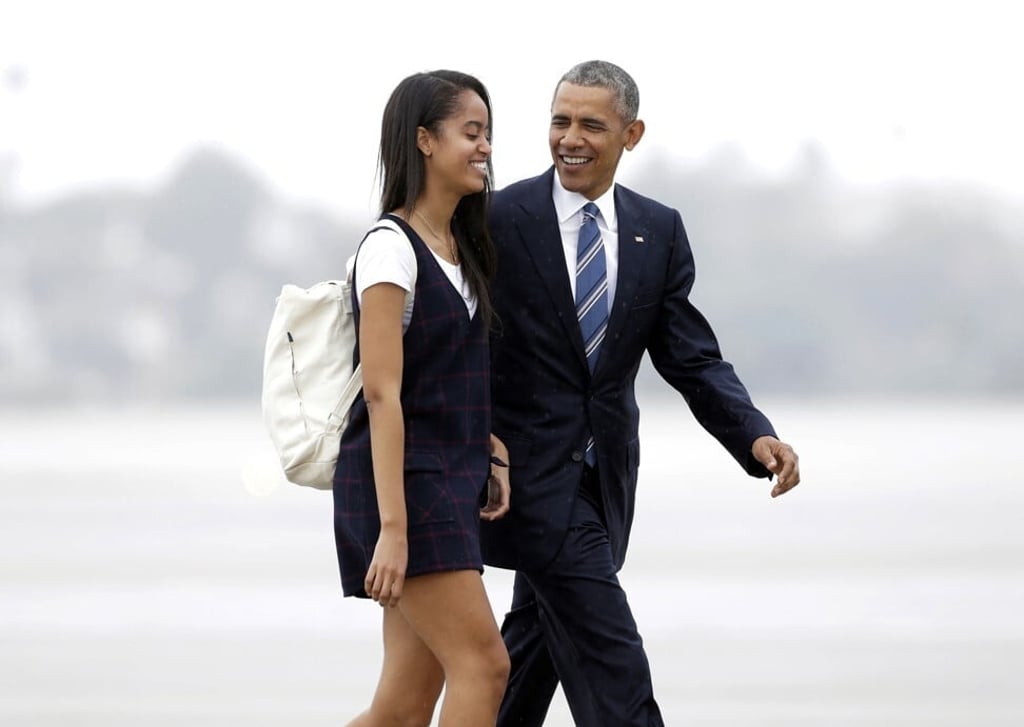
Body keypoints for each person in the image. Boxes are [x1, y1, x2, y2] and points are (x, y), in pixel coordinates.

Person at [479, 60, 802, 726]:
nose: (570, 137)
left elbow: (691, 355)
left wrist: (753, 433)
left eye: (591, 124)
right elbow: (462, 345)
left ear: (631, 133)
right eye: (559, 120)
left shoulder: (658, 230)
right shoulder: (498, 218)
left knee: (523, 666)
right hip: (529, 485)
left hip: (604, 485)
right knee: (614, 669)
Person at [332, 69, 511, 726]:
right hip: (405, 490)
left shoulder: (461, 249)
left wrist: (490, 450)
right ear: (425, 142)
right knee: (486, 665)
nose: (486, 146)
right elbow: (381, 395)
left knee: (402, 708)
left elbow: (447, 380)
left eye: (488, 133)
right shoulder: (389, 250)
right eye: (471, 132)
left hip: (446, 481)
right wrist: (394, 531)